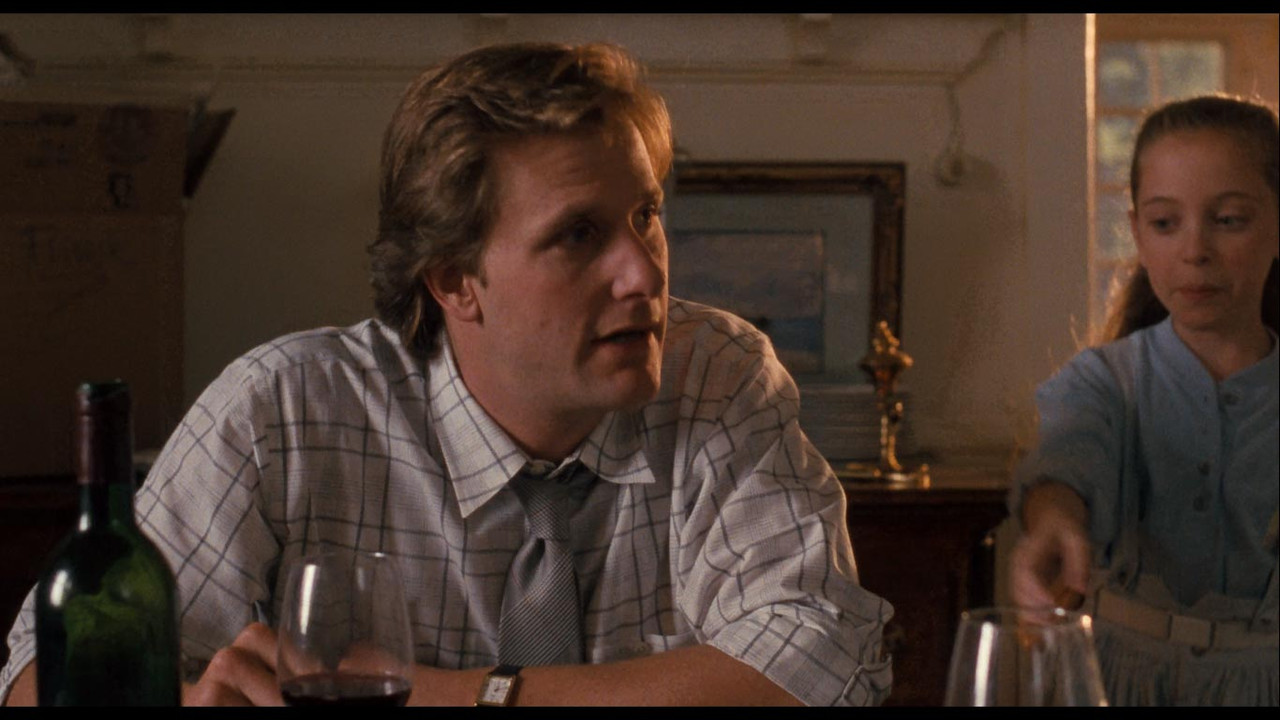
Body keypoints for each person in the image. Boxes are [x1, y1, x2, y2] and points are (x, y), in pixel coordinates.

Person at [1, 42, 892, 707]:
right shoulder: (283, 412)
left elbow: (825, 661)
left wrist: (452, 695)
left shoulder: (717, 374)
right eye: (579, 234)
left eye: (646, 216)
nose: (644, 273)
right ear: (455, 280)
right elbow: (36, 678)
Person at [1008, 94, 1278, 706]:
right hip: (1119, 680)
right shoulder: (1104, 380)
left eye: (1228, 219)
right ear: (1136, 233)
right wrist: (1054, 525)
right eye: (1165, 223)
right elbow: (1068, 458)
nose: (1194, 250)